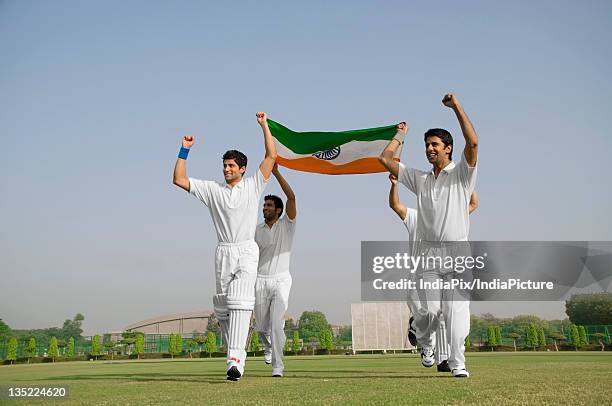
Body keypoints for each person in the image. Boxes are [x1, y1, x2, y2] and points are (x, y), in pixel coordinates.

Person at [379, 92, 478, 378]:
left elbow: (473, 143)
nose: (429, 149)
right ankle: (420, 334)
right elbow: (384, 158)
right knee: (431, 313)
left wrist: (456, 106)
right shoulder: (420, 179)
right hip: (429, 256)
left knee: (457, 314)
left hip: (458, 252)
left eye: (435, 144)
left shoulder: (462, 175)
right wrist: (401, 135)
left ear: (448, 148)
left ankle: (458, 363)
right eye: (426, 145)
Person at [172, 112, 277, 381]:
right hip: (223, 251)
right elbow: (179, 180)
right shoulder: (212, 189)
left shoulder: (253, 186)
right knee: (224, 308)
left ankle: (235, 362)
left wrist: (264, 125)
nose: (227, 169)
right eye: (225, 166)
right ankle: (236, 351)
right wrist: (184, 150)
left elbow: (271, 157)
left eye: (232, 166)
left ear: (242, 168)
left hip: (246, 250)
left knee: (241, 302)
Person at [388, 174, 478, 372]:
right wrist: (394, 185)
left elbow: (473, 203)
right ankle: (425, 341)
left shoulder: (450, 218)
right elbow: (395, 205)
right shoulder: (414, 217)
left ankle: (443, 360)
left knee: (446, 316)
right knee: (429, 314)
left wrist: (465, 183)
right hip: (419, 275)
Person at [254, 164, 297, 377]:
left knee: (276, 325)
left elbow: (291, 197)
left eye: (269, 205)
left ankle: (278, 367)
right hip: (260, 281)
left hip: (281, 280)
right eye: (264, 206)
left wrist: (277, 173)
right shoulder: (257, 230)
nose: (265, 208)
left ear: (278, 210)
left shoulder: (287, 225)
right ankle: (269, 346)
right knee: (261, 328)